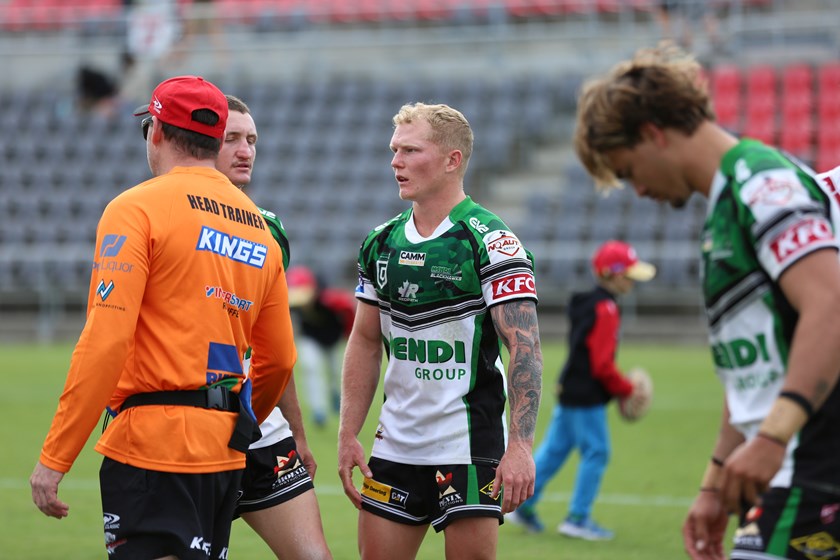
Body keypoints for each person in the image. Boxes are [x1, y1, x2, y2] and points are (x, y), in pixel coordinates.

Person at [574, 43, 840, 560]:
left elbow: (830, 305)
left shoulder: (763, 187)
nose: (638, 190)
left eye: (628, 170)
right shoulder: (724, 211)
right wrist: (714, 483)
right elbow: (754, 368)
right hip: (783, 466)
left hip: (812, 463)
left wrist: (772, 437)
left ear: (653, 133)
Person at [30, 75, 296, 560]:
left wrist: (56, 457)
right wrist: (240, 424)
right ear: (216, 140)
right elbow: (279, 359)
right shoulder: (259, 227)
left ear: (156, 132)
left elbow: (106, 341)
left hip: (152, 446)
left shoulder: (135, 208)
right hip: (224, 451)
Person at [337, 102, 543, 560]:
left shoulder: (491, 240)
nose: (396, 161)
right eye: (394, 150)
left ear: (452, 160)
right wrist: (349, 432)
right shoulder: (380, 242)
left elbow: (524, 348)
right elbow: (366, 340)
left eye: (410, 150)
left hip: (469, 447)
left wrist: (521, 446)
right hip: (395, 448)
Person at [218, 94, 332, 559]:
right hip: (190, 428)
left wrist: (299, 433)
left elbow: (274, 347)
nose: (246, 150)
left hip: (262, 427)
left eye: (252, 140)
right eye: (231, 139)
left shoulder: (269, 230)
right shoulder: (157, 217)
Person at [508, 240, 656, 540]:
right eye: (627, 273)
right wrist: (626, 388)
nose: (631, 280)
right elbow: (601, 364)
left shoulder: (588, 302)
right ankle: (578, 518)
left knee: (553, 451)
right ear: (611, 274)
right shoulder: (606, 307)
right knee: (597, 452)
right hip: (586, 394)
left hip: (569, 387)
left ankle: (522, 507)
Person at [285, 264, 356, 427]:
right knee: (311, 368)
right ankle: (319, 410)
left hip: (333, 339)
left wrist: (349, 334)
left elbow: (350, 311)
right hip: (309, 337)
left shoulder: (332, 300)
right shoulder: (292, 304)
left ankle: (335, 394)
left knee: (335, 371)